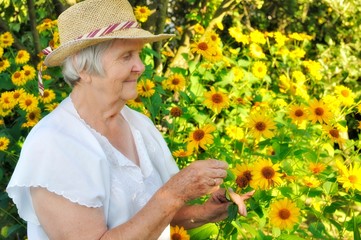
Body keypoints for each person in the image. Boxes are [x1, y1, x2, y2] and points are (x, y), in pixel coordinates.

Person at [6, 0, 254, 239]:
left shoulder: (138, 125)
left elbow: (155, 216)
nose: (141, 66)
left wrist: (203, 213)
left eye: (138, 54)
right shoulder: (54, 145)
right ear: (84, 69)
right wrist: (175, 192)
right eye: (126, 56)